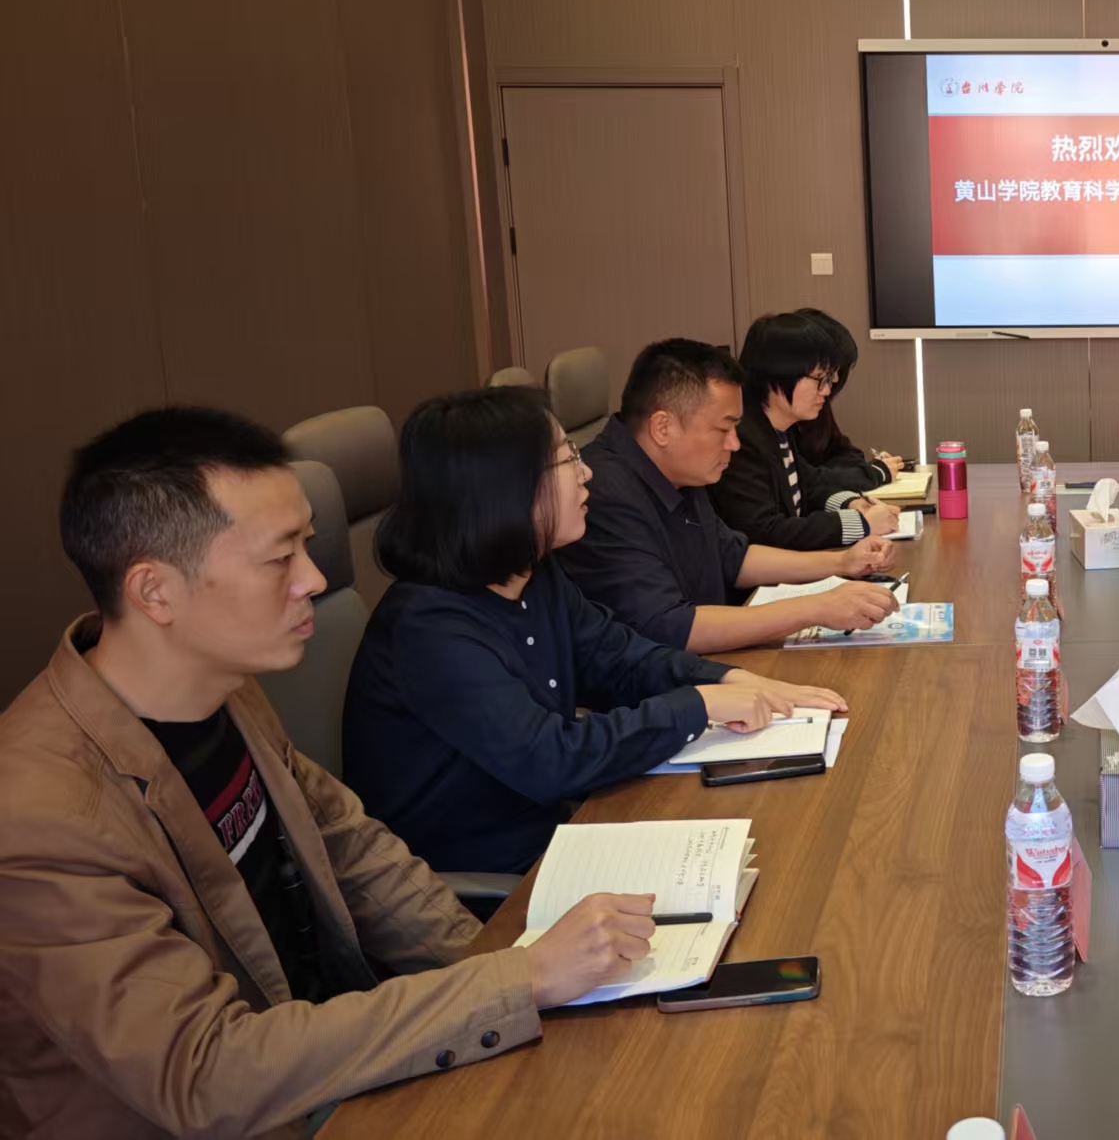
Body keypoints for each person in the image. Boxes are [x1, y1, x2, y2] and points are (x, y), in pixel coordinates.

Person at [0, 408, 666, 1137]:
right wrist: (518, 978)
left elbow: (351, 847)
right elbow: (207, 1073)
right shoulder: (40, 816)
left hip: (331, 1060)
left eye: (307, 546)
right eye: (279, 558)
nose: (314, 579)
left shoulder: (225, 689)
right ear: (155, 591)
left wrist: (510, 967)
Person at [344, 388, 847, 876]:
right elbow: (550, 759)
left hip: (564, 832)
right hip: (494, 881)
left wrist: (727, 680)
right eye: (567, 460)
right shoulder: (430, 628)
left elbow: (619, 657)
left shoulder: (534, 573)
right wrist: (697, 705)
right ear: (506, 489)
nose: (586, 473)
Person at [554, 338, 900, 652]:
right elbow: (670, 627)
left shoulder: (678, 469)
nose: (734, 443)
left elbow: (732, 557)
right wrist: (816, 608)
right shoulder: (604, 493)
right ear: (663, 427)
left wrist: (841, 563)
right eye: (724, 428)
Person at [711, 312, 900, 551]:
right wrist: (860, 524)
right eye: (820, 378)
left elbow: (809, 486)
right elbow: (765, 531)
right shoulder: (741, 439)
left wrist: (853, 504)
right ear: (780, 375)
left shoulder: (779, 429)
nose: (827, 391)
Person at [792, 306, 908, 495]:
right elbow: (806, 480)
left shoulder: (818, 406)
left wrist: (860, 472)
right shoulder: (777, 423)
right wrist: (872, 474)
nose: (833, 382)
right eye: (825, 374)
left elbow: (845, 452)